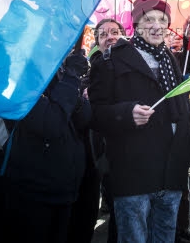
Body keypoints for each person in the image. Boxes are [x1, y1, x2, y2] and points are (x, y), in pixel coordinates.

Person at [89, 0, 190, 243]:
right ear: (136, 24)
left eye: (162, 19)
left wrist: (188, 144)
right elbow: (94, 113)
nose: (157, 25)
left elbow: (182, 102)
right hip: (134, 172)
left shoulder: (170, 59)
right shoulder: (111, 59)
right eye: (149, 19)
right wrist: (126, 114)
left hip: (171, 173)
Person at [0, 52, 91, 242]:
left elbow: (84, 119)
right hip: (33, 194)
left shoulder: (57, 75)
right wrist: (71, 78)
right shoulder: (18, 78)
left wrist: (75, 88)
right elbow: (51, 123)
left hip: (63, 190)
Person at [68, 18, 125, 243]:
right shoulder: (89, 75)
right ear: (98, 42)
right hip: (99, 159)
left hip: (130, 158)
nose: (110, 37)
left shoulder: (136, 71)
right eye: (103, 34)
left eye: (114, 32)